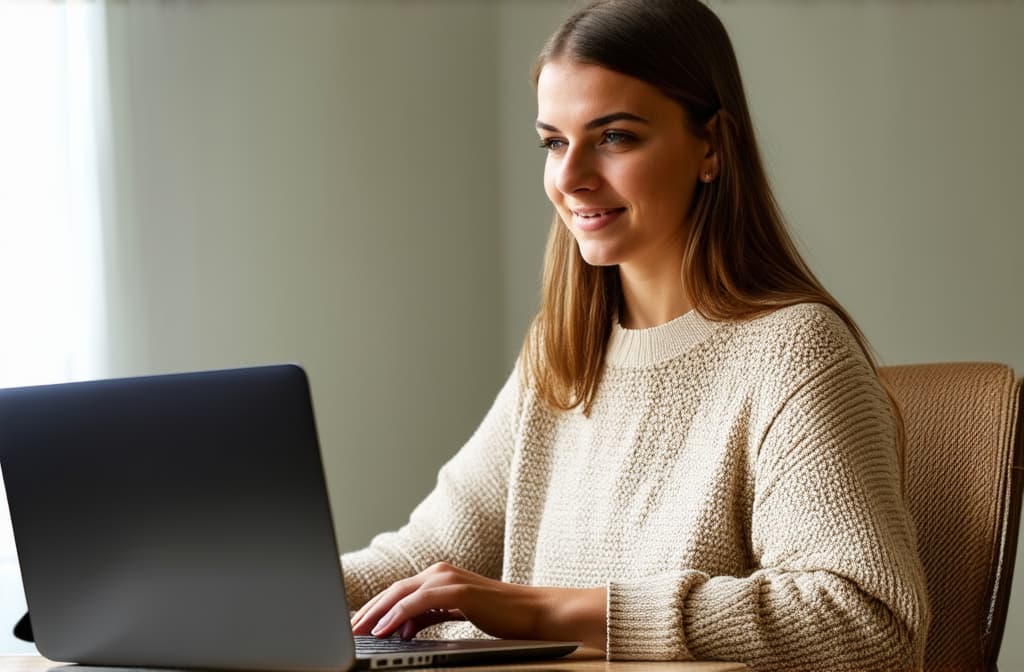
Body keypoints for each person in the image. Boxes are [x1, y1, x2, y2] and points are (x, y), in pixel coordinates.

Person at [344, 1, 930, 670]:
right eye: (554, 142)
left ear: (711, 145)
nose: (569, 178)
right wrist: (238, 592)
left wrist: (542, 610)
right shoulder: (560, 355)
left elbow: (869, 620)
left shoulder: (796, 353)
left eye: (615, 136)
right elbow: (420, 558)